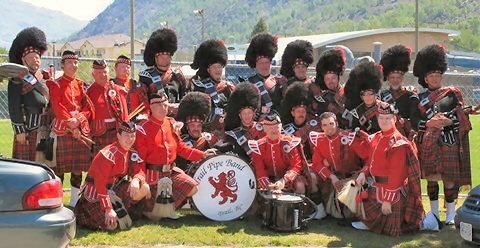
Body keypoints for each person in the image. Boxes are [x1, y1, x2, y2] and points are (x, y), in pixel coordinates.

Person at [352, 103, 441, 236]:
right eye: (381, 118)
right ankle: (369, 222)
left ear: (394, 119)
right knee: (360, 201)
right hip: (377, 186)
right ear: (377, 118)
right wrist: (364, 173)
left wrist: (388, 200)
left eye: (388, 118)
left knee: (394, 229)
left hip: (394, 190)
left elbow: (397, 174)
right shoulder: (377, 136)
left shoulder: (397, 142)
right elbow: (371, 161)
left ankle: (427, 223)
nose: (384, 121)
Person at [126, 91, 216, 220]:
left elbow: (181, 148)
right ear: (151, 107)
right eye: (158, 106)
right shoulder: (143, 128)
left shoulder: (171, 123)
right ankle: (149, 209)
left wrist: (202, 155)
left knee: (192, 187)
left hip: (170, 172)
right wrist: (138, 178)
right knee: (150, 206)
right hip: (152, 176)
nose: (162, 108)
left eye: (164, 105)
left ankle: (164, 209)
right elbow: (139, 159)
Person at [412, 44, 472, 225]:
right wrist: (428, 123)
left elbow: (462, 117)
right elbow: (414, 120)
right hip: (429, 143)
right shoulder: (417, 98)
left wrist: (450, 122)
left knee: (449, 181)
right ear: (425, 78)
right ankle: (435, 214)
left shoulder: (453, 95)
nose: (435, 78)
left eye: (438, 75)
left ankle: (451, 216)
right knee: (431, 179)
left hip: (449, 141)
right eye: (432, 75)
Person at [47, 50, 95, 207]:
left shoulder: (80, 84)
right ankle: (58, 202)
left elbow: (88, 107)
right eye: (69, 62)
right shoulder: (56, 84)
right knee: (59, 169)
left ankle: (74, 202)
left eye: (75, 62)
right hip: (62, 130)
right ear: (62, 64)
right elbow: (56, 106)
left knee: (77, 168)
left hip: (79, 129)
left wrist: (79, 120)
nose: (73, 66)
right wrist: (70, 123)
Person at [74, 121, 139, 231]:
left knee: (142, 188)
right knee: (111, 225)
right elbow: (99, 184)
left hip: (113, 189)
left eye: (133, 136)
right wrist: (108, 209)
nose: (130, 139)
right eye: (126, 135)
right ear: (118, 136)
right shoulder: (107, 154)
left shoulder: (130, 152)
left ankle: (129, 212)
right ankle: (83, 215)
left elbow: (139, 169)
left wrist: (137, 179)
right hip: (95, 193)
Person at [310, 112, 369, 219]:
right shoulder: (319, 140)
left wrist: (363, 173)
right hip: (332, 177)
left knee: (350, 190)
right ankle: (320, 209)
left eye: (331, 124)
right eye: (325, 125)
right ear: (321, 127)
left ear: (336, 123)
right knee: (311, 176)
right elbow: (317, 164)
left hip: (352, 176)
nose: (328, 128)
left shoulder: (348, 137)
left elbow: (368, 158)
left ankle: (355, 215)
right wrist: (331, 176)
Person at [8, 27, 50, 161]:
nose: (35, 60)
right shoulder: (17, 78)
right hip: (27, 131)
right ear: (23, 59)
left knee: (43, 165)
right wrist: (19, 131)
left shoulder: (45, 79)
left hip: (45, 130)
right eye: (31, 57)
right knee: (25, 168)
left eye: (37, 57)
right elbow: (13, 107)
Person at [248, 111, 305, 194]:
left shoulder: (289, 142)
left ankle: (301, 207)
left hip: (287, 178)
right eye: (271, 128)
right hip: (268, 179)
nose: (274, 131)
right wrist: (269, 185)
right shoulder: (258, 146)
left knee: (300, 185)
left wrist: (284, 180)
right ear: (265, 129)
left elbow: (296, 165)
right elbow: (259, 170)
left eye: (276, 127)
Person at [190, 39, 235, 135]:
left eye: (220, 66)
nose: (218, 70)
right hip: (203, 132)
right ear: (208, 69)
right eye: (215, 67)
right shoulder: (198, 86)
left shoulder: (228, 88)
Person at [87, 59, 129, 156]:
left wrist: (125, 130)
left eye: (105, 72)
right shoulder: (89, 93)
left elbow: (124, 113)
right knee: (101, 164)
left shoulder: (117, 90)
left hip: (117, 132)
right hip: (99, 134)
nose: (103, 75)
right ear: (93, 75)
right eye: (99, 72)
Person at [139, 28, 189, 109]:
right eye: (162, 56)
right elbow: (142, 103)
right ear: (155, 57)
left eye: (167, 56)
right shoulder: (146, 76)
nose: (165, 59)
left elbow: (185, 96)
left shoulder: (177, 75)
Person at [379, 45, 418, 139]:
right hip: (388, 135)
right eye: (392, 77)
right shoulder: (382, 97)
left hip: (407, 135)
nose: (395, 80)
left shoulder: (410, 94)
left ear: (402, 78)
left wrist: (405, 123)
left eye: (398, 77)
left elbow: (415, 116)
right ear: (387, 78)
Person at [175, 92, 217, 176]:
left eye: (198, 126)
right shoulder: (182, 141)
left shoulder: (209, 138)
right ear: (187, 127)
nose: (196, 129)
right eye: (193, 126)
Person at [223, 82, 265, 161]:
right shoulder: (233, 135)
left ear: (254, 113)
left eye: (249, 113)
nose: (247, 116)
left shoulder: (262, 128)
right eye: (244, 113)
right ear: (239, 115)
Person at [242, 33, 284, 112]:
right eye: (261, 63)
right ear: (256, 64)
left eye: (266, 62)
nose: (264, 66)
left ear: (271, 63)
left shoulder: (279, 82)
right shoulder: (249, 83)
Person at [280, 82, 319, 160]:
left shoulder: (314, 127)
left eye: (303, 111)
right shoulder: (285, 130)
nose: (301, 114)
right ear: (292, 113)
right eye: (298, 111)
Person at [312, 48, 349, 128]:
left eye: (333, 78)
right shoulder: (321, 98)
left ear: (338, 78)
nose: (330, 81)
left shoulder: (348, 93)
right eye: (327, 79)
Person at [344, 61, 385, 134]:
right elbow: (354, 129)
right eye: (365, 94)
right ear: (361, 96)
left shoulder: (384, 107)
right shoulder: (357, 112)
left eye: (370, 93)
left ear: (375, 94)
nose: (368, 97)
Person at [112, 55, 149, 121]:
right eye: (123, 67)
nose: (126, 69)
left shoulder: (138, 86)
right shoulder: (110, 86)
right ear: (116, 68)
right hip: (116, 122)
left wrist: (144, 115)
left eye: (128, 67)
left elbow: (145, 107)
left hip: (135, 122)